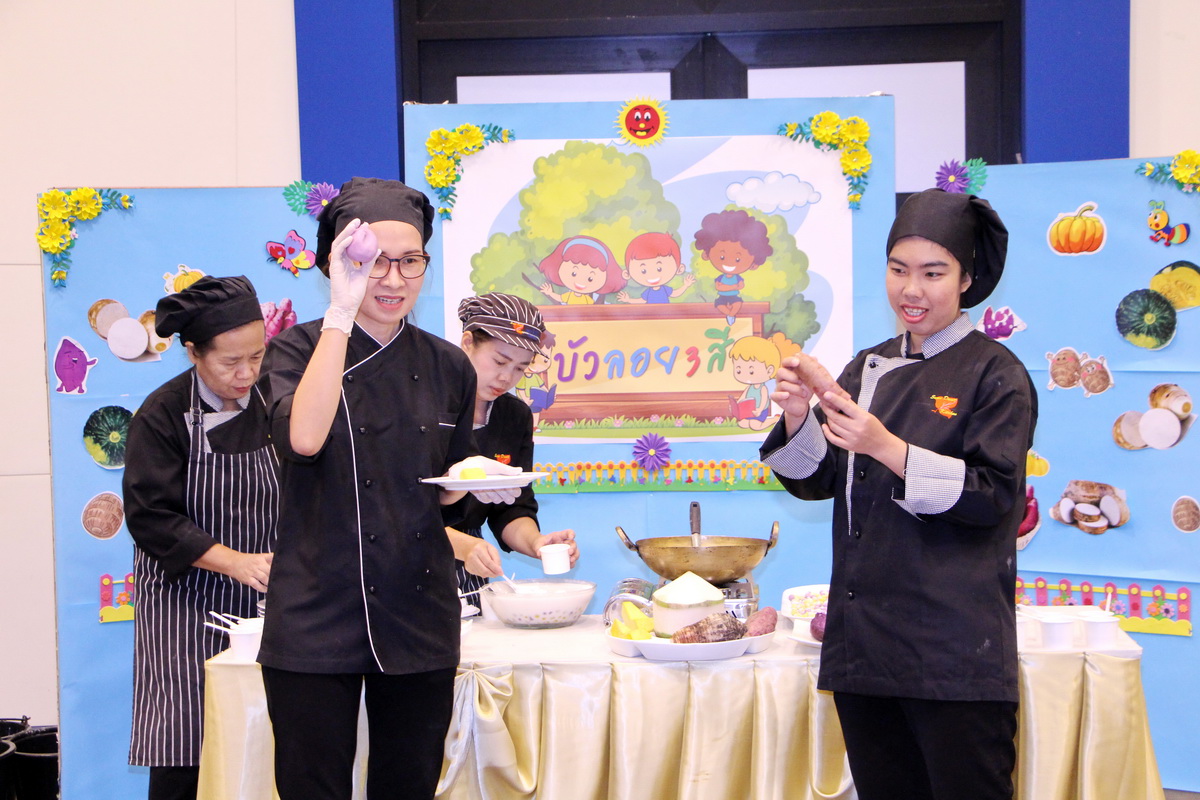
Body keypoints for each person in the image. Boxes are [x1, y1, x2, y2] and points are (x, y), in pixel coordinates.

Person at [760, 188, 1037, 800]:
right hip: (865, 649)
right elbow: (817, 482)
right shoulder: (866, 367)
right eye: (898, 269)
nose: (912, 289)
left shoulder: (996, 373)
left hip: (954, 654)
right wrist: (798, 415)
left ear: (966, 280)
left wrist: (887, 447)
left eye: (933, 273)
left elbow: (994, 497)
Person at [256, 177, 519, 800]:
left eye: (410, 261)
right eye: (373, 261)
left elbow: (442, 486)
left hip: (417, 607)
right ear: (338, 263)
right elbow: (304, 440)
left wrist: (476, 484)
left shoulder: (448, 364)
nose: (394, 279)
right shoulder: (294, 350)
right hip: (316, 609)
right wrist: (340, 316)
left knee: (408, 785)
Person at [123, 275, 277, 800]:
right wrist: (234, 561)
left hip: (268, 601)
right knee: (186, 743)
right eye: (230, 362)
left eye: (256, 356)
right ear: (192, 352)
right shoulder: (163, 413)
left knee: (268, 742)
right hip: (184, 606)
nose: (246, 373)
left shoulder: (275, 398)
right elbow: (150, 516)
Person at [447, 292, 579, 606]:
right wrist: (463, 547)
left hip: (473, 562)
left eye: (521, 368)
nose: (507, 377)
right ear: (467, 342)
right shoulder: (424, 405)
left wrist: (537, 543)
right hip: (408, 558)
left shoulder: (514, 415)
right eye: (499, 361)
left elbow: (511, 506)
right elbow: (398, 511)